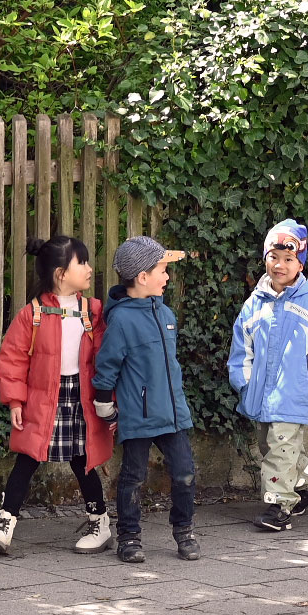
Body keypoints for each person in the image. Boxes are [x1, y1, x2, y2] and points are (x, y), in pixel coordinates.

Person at [0, 235, 115, 556]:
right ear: (60, 274)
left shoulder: (94, 311)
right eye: (81, 262)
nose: (88, 268)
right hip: (43, 398)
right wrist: (15, 400)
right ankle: (5, 524)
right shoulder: (33, 314)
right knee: (27, 458)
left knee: (82, 461)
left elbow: (108, 356)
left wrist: (110, 400)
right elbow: (13, 358)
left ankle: (100, 522)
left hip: (80, 399)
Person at [227, 219, 308, 533]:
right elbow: (241, 349)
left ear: (300, 264)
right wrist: (243, 384)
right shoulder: (253, 305)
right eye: (274, 257)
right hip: (258, 394)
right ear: (265, 259)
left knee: (281, 448)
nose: (279, 265)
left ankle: (278, 506)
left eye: (288, 259)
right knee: (271, 446)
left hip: (293, 394)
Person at [91, 235, 199, 565]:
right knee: (133, 478)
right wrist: (103, 403)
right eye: (162, 270)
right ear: (142, 277)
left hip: (172, 413)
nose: (167, 277)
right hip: (138, 415)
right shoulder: (122, 320)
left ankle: (184, 530)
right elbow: (107, 365)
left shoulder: (165, 313)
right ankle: (129, 536)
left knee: (185, 473)